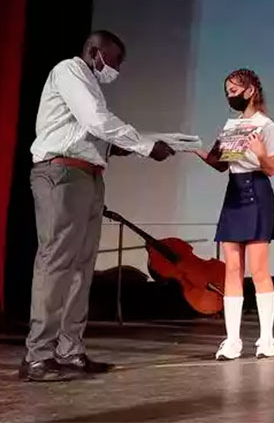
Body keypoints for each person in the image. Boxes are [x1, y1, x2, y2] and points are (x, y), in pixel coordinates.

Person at [22, 30, 175, 382]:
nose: (116, 69)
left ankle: (69, 350)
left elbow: (87, 133)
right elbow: (95, 120)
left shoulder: (90, 84)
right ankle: (37, 357)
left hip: (89, 177)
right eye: (115, 60)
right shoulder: (70, 71)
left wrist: (118, 148)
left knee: (81, 267)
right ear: (95, 52)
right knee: (56, 262)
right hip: (61, 174)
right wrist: (143, 146)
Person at [195, 68, 274, 360]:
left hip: (257, 193)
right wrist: (197, 150)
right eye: (227, 92)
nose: (230, 97)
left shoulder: (266, 125)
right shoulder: (231, 125)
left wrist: (259, 151)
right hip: (234, 194)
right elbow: (221, 163)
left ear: (250, 91)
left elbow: (271, 168)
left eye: (234, 91)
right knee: (232, 268)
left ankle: (267, 340)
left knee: (258, 269)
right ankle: (232, 340)